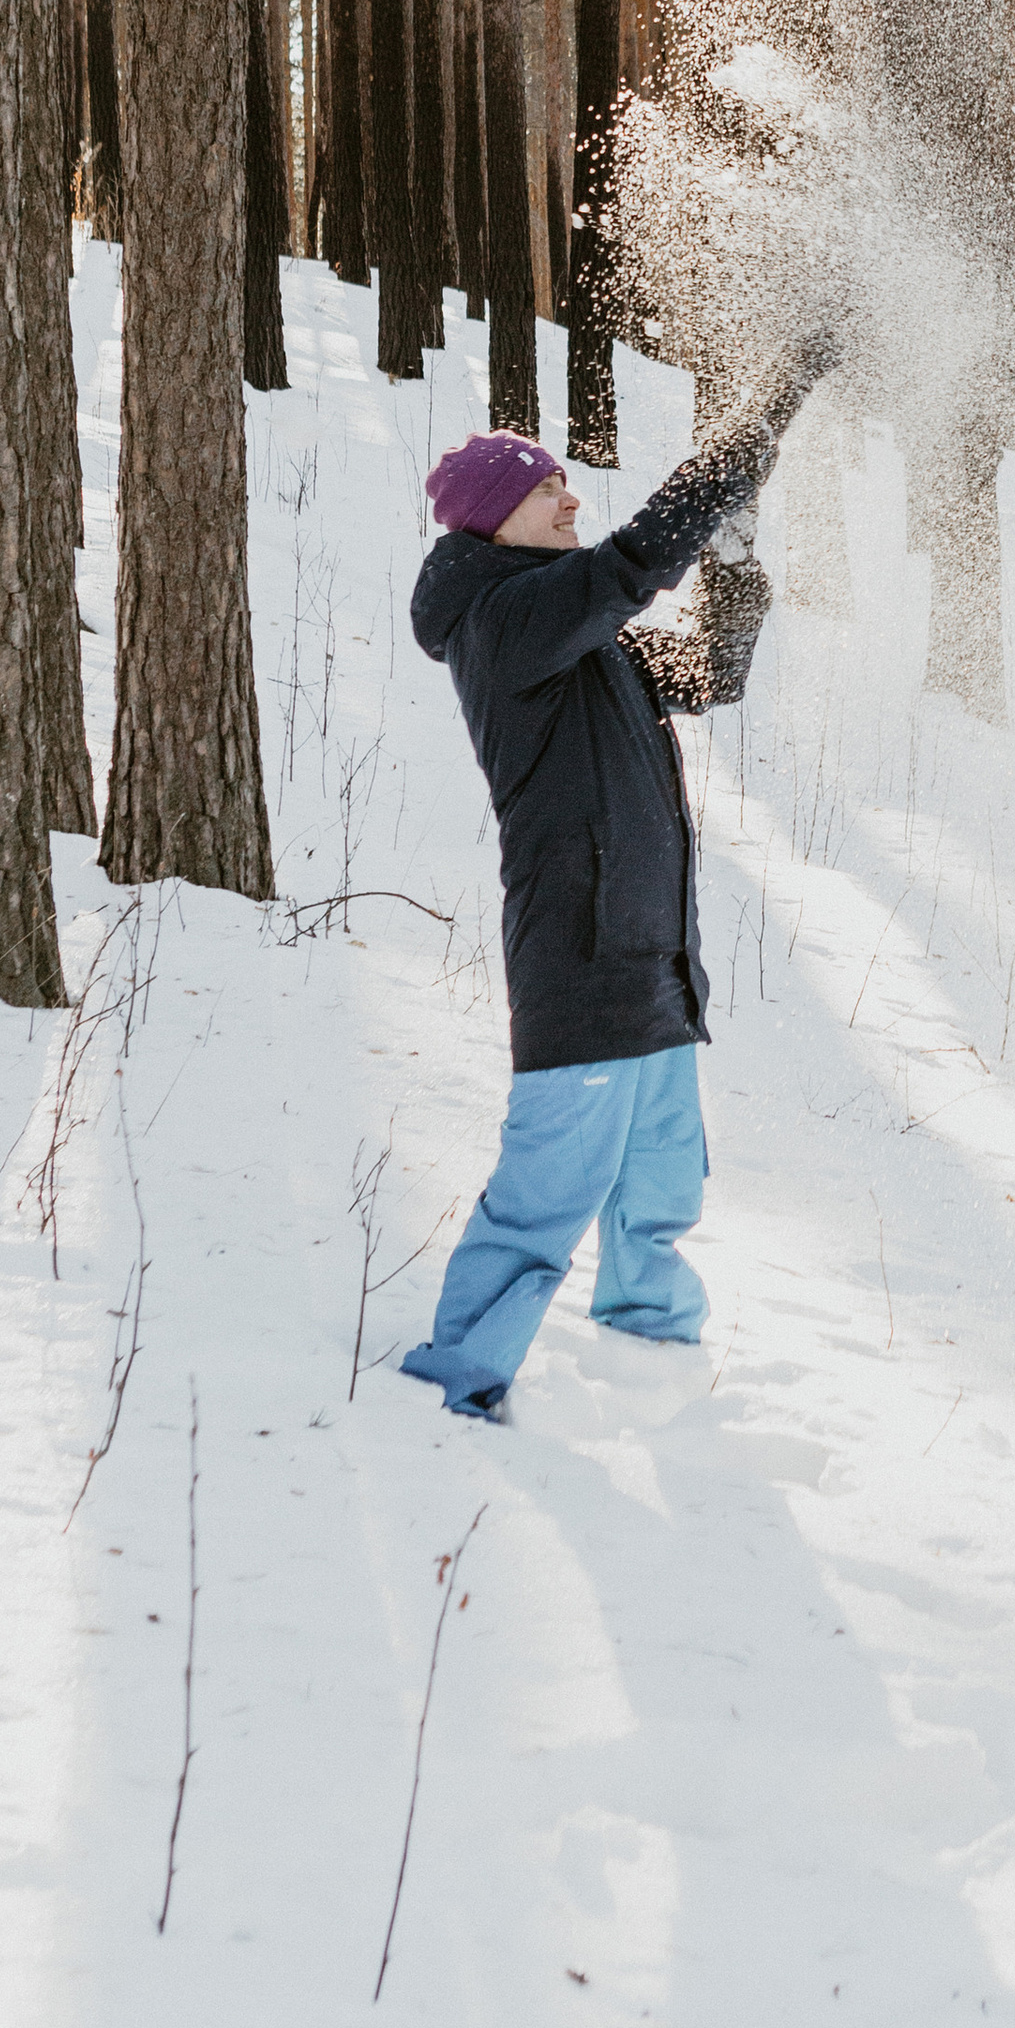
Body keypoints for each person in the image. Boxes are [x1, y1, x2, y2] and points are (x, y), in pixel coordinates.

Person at [400, 338, 835, 1420]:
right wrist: (749, 431)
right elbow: (635, 560)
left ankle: (651, 1353)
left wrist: (734, 558)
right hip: (580, 959)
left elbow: (710, 673)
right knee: (550, 1189)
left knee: (659, 1188)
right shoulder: (505, 624)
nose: (566, 494)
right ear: (490, 519)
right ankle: (459, 1378)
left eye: (562, 478)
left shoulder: (580, 636)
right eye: (542, 486)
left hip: (648, 958)